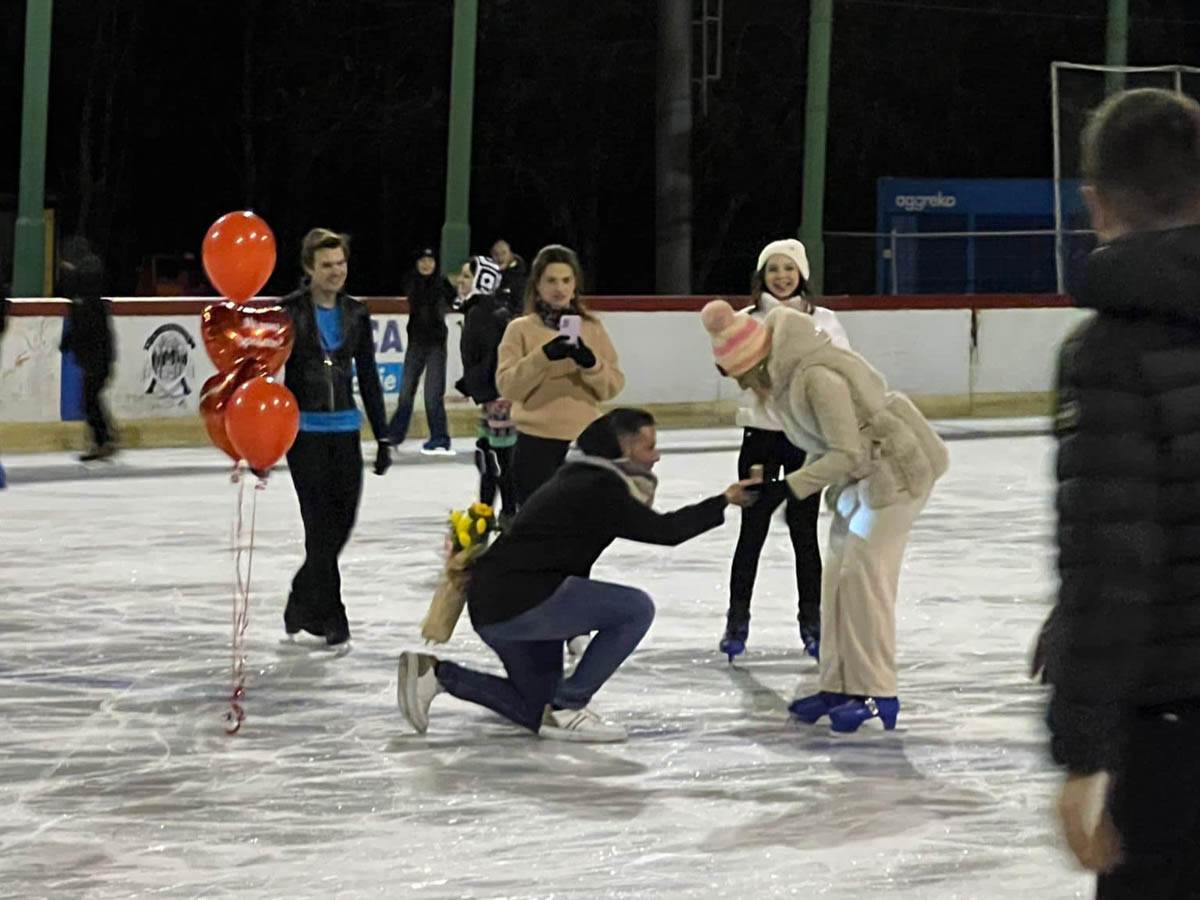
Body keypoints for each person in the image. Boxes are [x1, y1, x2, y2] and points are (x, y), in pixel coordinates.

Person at [1038, 89, 1200, 896]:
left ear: (1095, 204)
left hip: (1173, 738)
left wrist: (1083, 753)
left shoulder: (1108, 351)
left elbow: (1115, 560)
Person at [396, 408, 761, 742]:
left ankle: (437, 675)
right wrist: (723, 501)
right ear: (623, 449)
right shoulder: (598, 487)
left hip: (502, 606)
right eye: (649, 447)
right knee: (635, 609)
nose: (657, 456)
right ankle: (571, 703)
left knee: (537, 711)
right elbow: (665, 532)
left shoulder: (581, 475)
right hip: (520, 603)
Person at [703, 298, 947, 733]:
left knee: (865, 579)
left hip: (896, 476)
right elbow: (826, 446)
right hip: (861, 484)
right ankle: (838, 684)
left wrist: (787, 488)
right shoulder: (784, 383)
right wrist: (785, 486)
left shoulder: (815, 377)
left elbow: (845, 451)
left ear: (752, 362)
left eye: (738, 376)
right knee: (836, 580)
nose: (740, 386)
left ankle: (878, 692)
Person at [720, 238, 851, 663]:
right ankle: (736, 622)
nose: (781, 276)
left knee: (803, 532)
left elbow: (842, 368)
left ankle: (811, 624)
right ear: (762, 274)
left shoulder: (825, 320)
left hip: (804, 440)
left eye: (788, 269)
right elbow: (728, 362)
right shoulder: (743, 320)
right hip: (760, 437)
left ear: (802, 274)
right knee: (752, 531)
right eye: (773, 268)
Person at [280, 229, 391, 647]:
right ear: (309, 268)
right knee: (318, 527)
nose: (335, 271)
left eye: (341, 263)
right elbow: (268, 378)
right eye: (326, 265)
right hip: (304, 433)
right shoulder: (287, 312)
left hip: (346, 430)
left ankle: (299, 598)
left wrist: (383, 436)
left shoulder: (357, 313)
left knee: (341, 525)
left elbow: (368, 376)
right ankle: (333, 614)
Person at [496, 244, 625, 509]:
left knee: (582, 531)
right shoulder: (519, 329)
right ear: (537, 285)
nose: (559, 288)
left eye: (566, 280)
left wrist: (590, 363)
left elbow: (612, 387)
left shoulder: (592, 327)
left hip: (585, 443)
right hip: (535, 446)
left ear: (575, 284)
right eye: (551, 280)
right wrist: (543, 356)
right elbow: (508, 387)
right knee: (539, 534)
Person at [454, 255, 517, 521]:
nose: (460, 281)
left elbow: (493, 358)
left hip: (498, 397)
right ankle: (487, 509)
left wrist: (474, 385)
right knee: (487, 454)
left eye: (467, 276)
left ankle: (507, 512)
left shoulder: (484, 313)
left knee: (498, 458)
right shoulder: (483, 310)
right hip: (492, 395)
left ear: (483, 281)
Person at [386, 247, 454, 454]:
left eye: (430, 260)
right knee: (406, 392)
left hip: (436, 344)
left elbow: (454, 300)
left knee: (433, 394)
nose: (427, 264)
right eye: (423, 260)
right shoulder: (411, 281)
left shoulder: (443, 284)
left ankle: (440, 437)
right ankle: (395, 434)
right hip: (416, 342)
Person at [57, 237, 117, 462]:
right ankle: (105, 439)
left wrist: (70, 343)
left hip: (96, 356)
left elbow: (87, 328)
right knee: (91, 399)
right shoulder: (85, 300)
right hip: (96, 356)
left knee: (90, 399)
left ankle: (103, 440)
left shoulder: (86, 299)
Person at [491, 239, 527, 318]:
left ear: (511, 255)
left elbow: (522, 307)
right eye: (496, 254)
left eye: (503, 253)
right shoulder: (489, 278)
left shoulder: (519, 280)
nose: (500, 258)